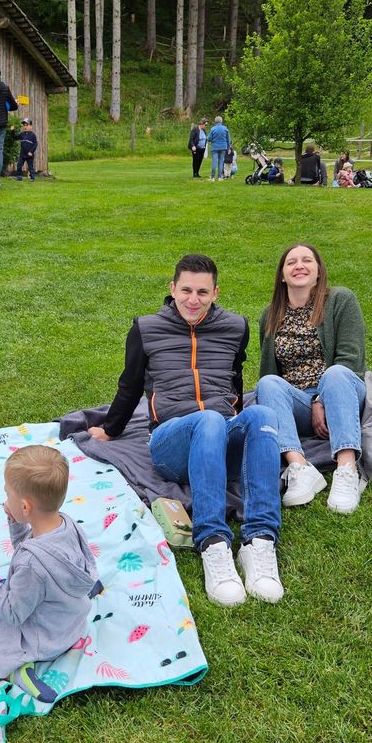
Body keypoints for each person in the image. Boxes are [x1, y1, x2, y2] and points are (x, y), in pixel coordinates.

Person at [88, 254, 283, 607]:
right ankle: (213, 543)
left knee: (262, 415)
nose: (194, 300)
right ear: (172, 288)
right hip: (171, 442)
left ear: (215, 292)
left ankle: (260, 540)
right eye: (186, 290)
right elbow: (130, 385)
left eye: (203, 292)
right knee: (208, 419)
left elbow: (235, 380)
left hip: (220, 438)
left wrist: (238, 416)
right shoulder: (146, 328)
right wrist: (110, 429)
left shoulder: (236, 327)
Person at [0, 445, 100, 702]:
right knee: (9, 582)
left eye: (7, 494)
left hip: (42, 639)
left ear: (26, 506)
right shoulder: (66, 523)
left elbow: (12, 614)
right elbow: (35, 555)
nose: (4, 499)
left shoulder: (31, 564)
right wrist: (14, 521)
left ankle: (14, 669)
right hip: (70, 622)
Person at [255, 244, 367, 514]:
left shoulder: (340, 300)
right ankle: (300, 467)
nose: (299, 265)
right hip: (298, 403)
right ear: (282, 275)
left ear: (318, 272)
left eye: (307, 260)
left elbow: (351, 360)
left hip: (341, 393)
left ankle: (347, 468)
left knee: (336, 373)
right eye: (291, 262)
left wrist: (320, 400)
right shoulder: (270, 315)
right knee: (267, 384)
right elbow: (270, 372)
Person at [207, 116, 230, 182]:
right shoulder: (225, 129)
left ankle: (213, 177)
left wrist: (208, 138)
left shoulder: (213, 129)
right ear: (221, 121)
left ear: (215, 121)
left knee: (214, 161)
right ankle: (220, 177)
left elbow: (209, 138)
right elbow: (228, 139)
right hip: (223, 147)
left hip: (215, 147)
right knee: (221, 162)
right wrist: (229, 148)